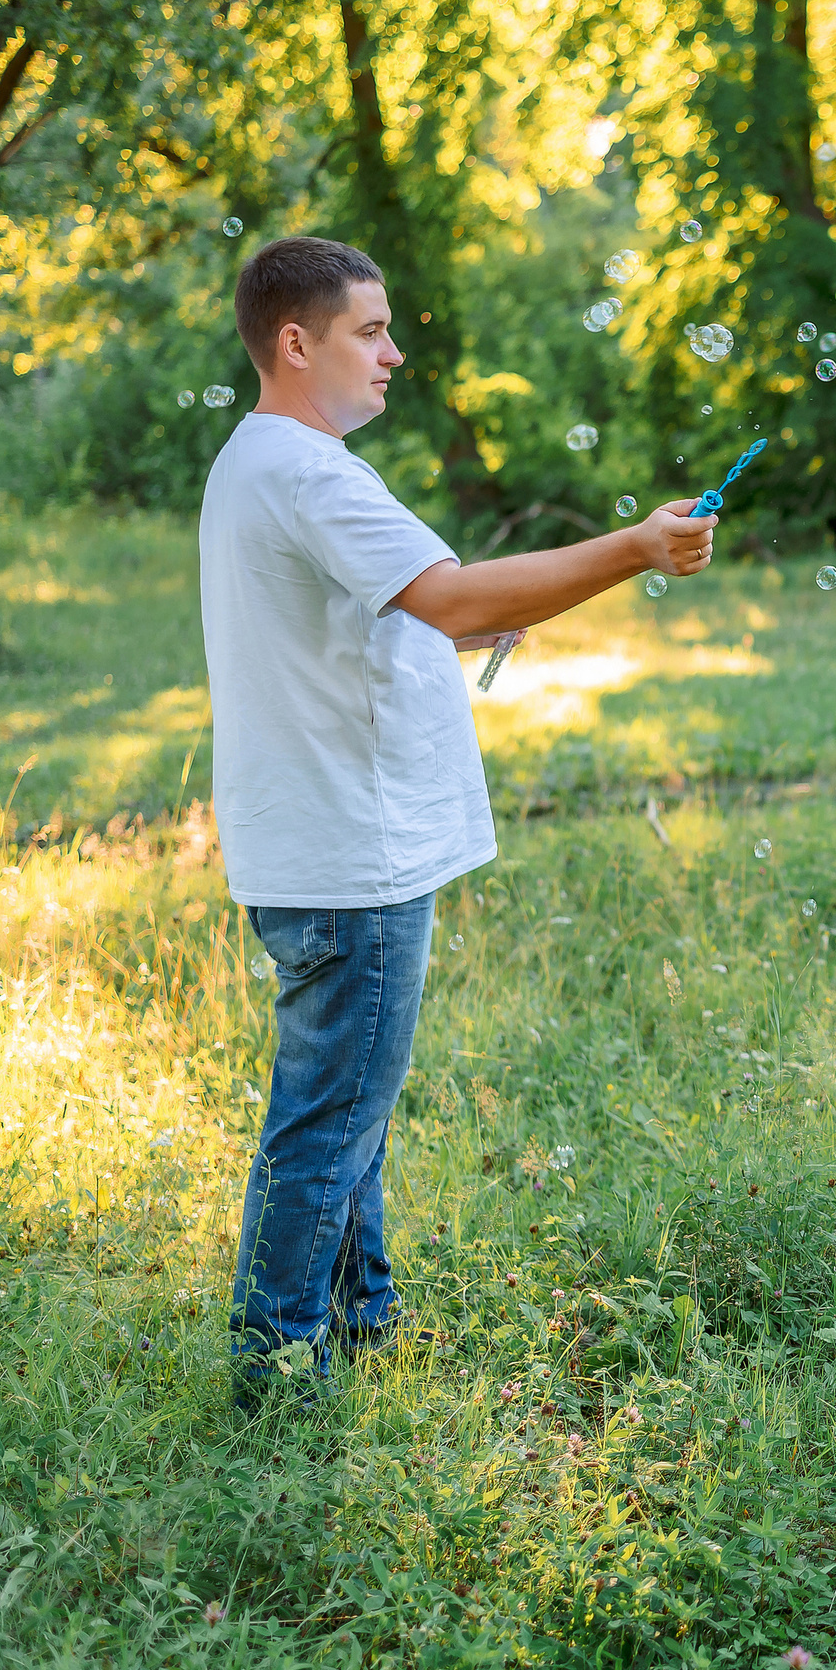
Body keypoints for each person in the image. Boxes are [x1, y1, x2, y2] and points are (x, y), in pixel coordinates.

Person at [202, 236, 714, 1404]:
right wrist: (637, 546)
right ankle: (278, 1373)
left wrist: (466, 623)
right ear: (297, 341)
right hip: (353, 855)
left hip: (314, 845)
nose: (394, 352)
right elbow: (451, 592)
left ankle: (360, 1328)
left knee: (348, 1121)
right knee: (327, 1126)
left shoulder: (262, 458)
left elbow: (375, 617)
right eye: (369, 330)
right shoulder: (310, 470)